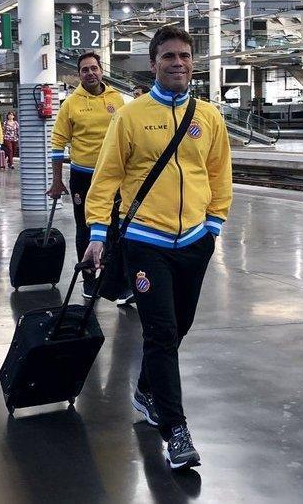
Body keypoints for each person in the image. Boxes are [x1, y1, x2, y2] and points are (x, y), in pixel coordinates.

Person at [82, 25, 232, 471]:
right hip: (145, 240)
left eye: (185, 56)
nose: (178, 63)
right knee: (161, 333)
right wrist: (95, 234)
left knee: (179, 326)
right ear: (153, 63)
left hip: (194, 241)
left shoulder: (208, 118)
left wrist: (213, 225)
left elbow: (219, 174)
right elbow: (106, 177)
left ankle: (147, 389)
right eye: (169, 56)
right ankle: (176, 430)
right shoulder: (129, 117)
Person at [47, 51, 132, 304]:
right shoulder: (71, 104)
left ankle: (118, 284)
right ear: (79, 74)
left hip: (116, 177)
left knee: (117, 229)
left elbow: (127, 135)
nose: (90, 73)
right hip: (83, 178)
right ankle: (89, 281)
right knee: (86, 230)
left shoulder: (116, 99)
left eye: (94, 68)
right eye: (85, 70)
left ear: (101, 70)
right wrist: (56, 180)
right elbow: (57, 144)